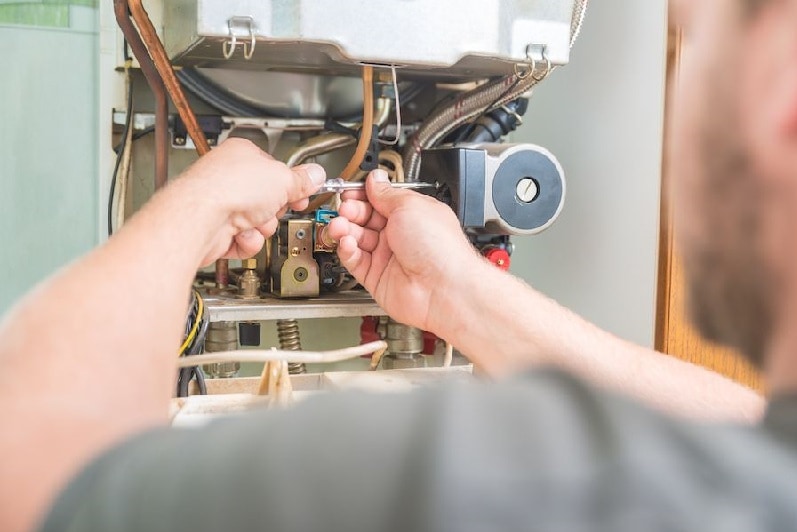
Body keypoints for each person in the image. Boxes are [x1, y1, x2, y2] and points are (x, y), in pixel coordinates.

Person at [0, 0, 786, 529]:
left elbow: (29, 475)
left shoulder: (469, 469)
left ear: (779, 103)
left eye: (700, 41)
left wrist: (190, 211)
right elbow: (737, 433)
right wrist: (456, 293)